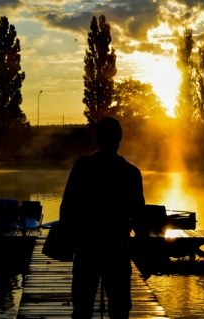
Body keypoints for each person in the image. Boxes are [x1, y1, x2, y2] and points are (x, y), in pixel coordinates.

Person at [59, 116, 148, 319]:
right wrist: (144, 254)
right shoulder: (131, 173)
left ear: (96, 138)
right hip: (117, 249)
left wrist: (69, 241)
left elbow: (67, 209)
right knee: (119, 310)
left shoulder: (82, 168)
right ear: (120, 138)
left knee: (82, 309)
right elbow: (139, 217)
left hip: (86, 248)